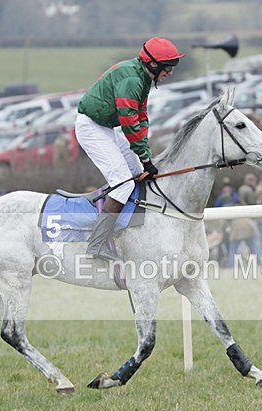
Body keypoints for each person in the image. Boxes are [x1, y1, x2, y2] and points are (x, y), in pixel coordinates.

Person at [75, 36, 184, 262]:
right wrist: (146, 158)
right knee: (124, 182)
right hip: (91, 127)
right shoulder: (133, 80)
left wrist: (145, 155)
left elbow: (140, 116)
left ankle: (131, 227)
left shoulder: (142, 77)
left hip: (106, 127)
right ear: (153, 64)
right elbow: (129, 123)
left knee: (137, 173)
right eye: (168, 68)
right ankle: (96, 243)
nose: (170, 73)